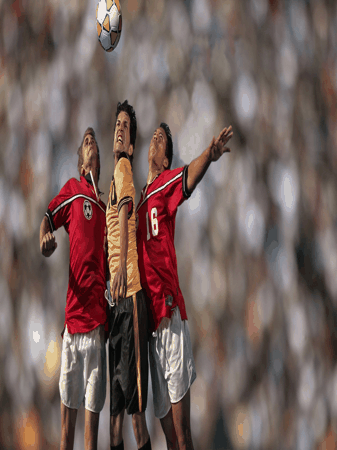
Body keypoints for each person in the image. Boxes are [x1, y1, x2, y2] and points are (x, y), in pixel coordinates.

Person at [136, 123, 233, 450]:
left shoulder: (164, 185)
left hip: (170, 317)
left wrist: (210, 153)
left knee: (183, 432)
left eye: (161, 140)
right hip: (151, 332)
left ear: (165, 162)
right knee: (169, 435)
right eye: (154, 137)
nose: (155, 140)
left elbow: (188, 177)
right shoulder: (135, 206)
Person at [39, 128, 107, 450]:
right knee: (67, 434)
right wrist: (44, 240)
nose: (90, 141)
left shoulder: (108, 211)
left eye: (94, 141)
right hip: (73, 324)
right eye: (86, 142)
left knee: (90, 438)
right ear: (82, 164)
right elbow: (48, 218)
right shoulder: (73, 191)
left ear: (97, 164)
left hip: (97, 330)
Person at [106, 100, 151, 450]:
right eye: (117, 124)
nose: (120, 128)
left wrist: (119, 268)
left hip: (131, 292)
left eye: (126, 126)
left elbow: (123, 217)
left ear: (131, 144)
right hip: (119, 302)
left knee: (132, 416)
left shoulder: (123, 168)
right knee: (118, 419)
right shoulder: (112, 178)